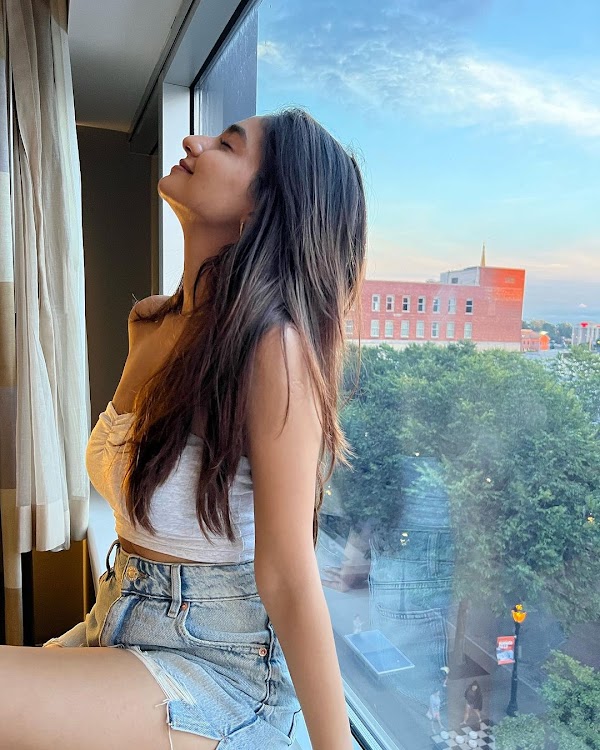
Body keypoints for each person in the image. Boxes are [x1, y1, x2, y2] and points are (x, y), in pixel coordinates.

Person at [0, 108, 367, 750]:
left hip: (222, 666)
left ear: (266, 204)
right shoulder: (152, 323)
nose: (193, 141)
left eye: (227, 145)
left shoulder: (275, 349)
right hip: (118, 623)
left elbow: (288, 573)